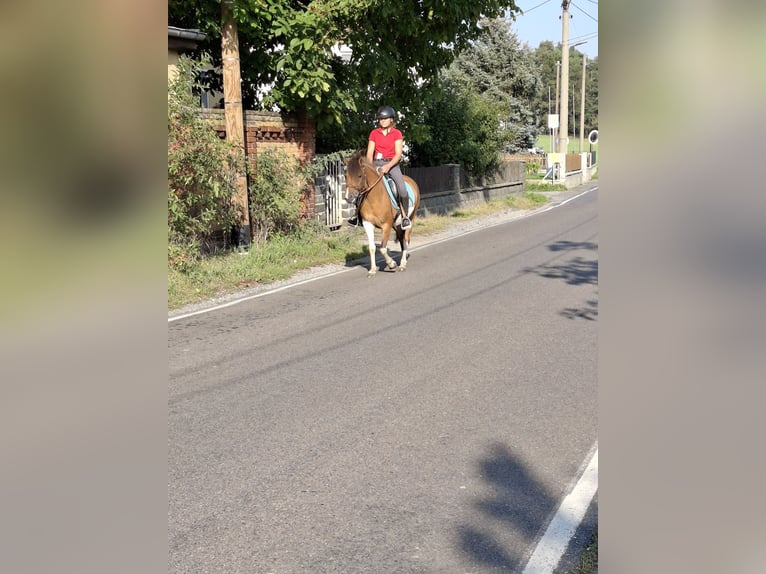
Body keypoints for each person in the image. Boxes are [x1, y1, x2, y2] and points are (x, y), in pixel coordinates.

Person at [367, 105, 411, 229]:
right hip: (376, 163)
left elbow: (398, 154)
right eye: (380, 119)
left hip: (392, 165)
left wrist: (388, 166)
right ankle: (357, 216)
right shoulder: (374, 133)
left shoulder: (397, 133)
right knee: (362, 185)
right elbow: (369, 154)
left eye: (385, 119)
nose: (382, 121)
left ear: (391, 119)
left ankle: (404, 217)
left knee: (402, 190)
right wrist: (371, 167)